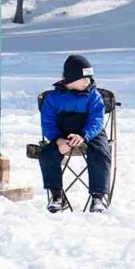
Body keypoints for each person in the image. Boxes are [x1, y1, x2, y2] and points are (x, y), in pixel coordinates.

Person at [38, 53, 111, 214]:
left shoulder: (93, 95)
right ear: (70, 79)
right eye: (83, 78)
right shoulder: (53, 98)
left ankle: (98, 197)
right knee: (47, 155)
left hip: (90, 132)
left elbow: (97, 119)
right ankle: (57, 196)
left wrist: (84, 135)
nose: (88, 81)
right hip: (62, 133)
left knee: (101, 153)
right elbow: (48, 122)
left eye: (89, 78)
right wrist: (57, 140)